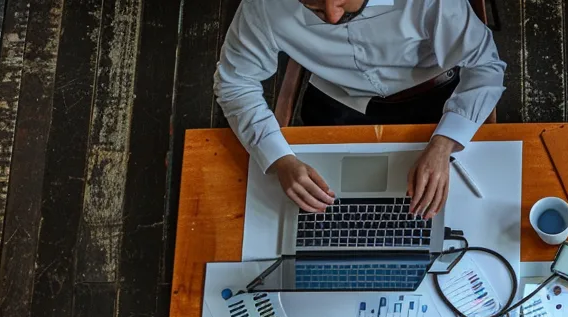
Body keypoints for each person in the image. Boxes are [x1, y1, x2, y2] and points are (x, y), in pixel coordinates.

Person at [215, 0, 505, 218]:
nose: (332, 16)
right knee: (327, 215)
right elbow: (234, 84)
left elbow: (485, 66)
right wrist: (279, 159)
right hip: (338, 101)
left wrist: (444, 144)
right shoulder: (263, 5)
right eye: (313, 5)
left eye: (343, 0)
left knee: (457, 211)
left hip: (434, 96)